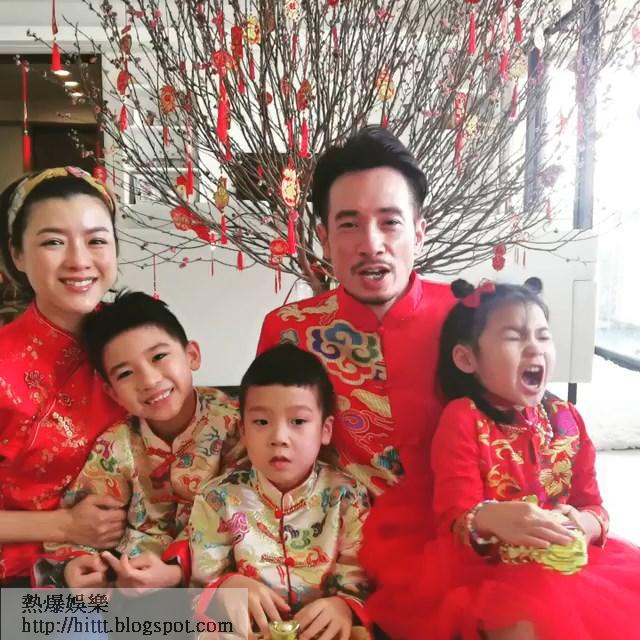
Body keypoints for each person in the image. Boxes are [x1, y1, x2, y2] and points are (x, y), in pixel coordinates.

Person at [363, 278, 640, 640]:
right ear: (467, 359)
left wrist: (584, 524)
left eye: (543, 336)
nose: (534, 347)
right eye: (514, 337)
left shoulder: (568, 418)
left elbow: (593, 505)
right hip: (488, 569)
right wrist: (491, 518)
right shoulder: (464, 419)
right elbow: (453, 517)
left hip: (566, 563)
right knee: (528, 621)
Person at [257, 127, 454, 497]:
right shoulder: (289, 331)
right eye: (349, 225)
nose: (371, 244)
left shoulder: (470, 320)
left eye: (390, 222)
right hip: (335, 526)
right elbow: (263, 450)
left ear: (419, 233)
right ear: (325, 240)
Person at [165, 344, 372, 640]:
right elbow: (199, 585)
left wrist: (344, 607)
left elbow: (360, 582)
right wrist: (227, 586)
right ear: (244, 430)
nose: (279, 437)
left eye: (298, 421)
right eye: (261, 422)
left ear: (325, 430)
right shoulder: (217, 498)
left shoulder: (348, 496)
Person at [40, 290, 243, 590]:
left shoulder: (237, 426)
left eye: (159, 357)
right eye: (125, 373)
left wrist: (176, 569)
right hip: (129, 578)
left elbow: (249, 512)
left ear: (192, 355)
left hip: (218, 578)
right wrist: (78, 564)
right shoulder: (116, 444)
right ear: (112, 392)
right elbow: (84, 521)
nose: (149, 381)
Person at [0, 167, 127, 587]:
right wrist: (66, 526)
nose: (79, 260)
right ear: (17, 254)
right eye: (53, 242)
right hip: (21, 577)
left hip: (137, 564)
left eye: (96, 241)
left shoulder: (141, 340)